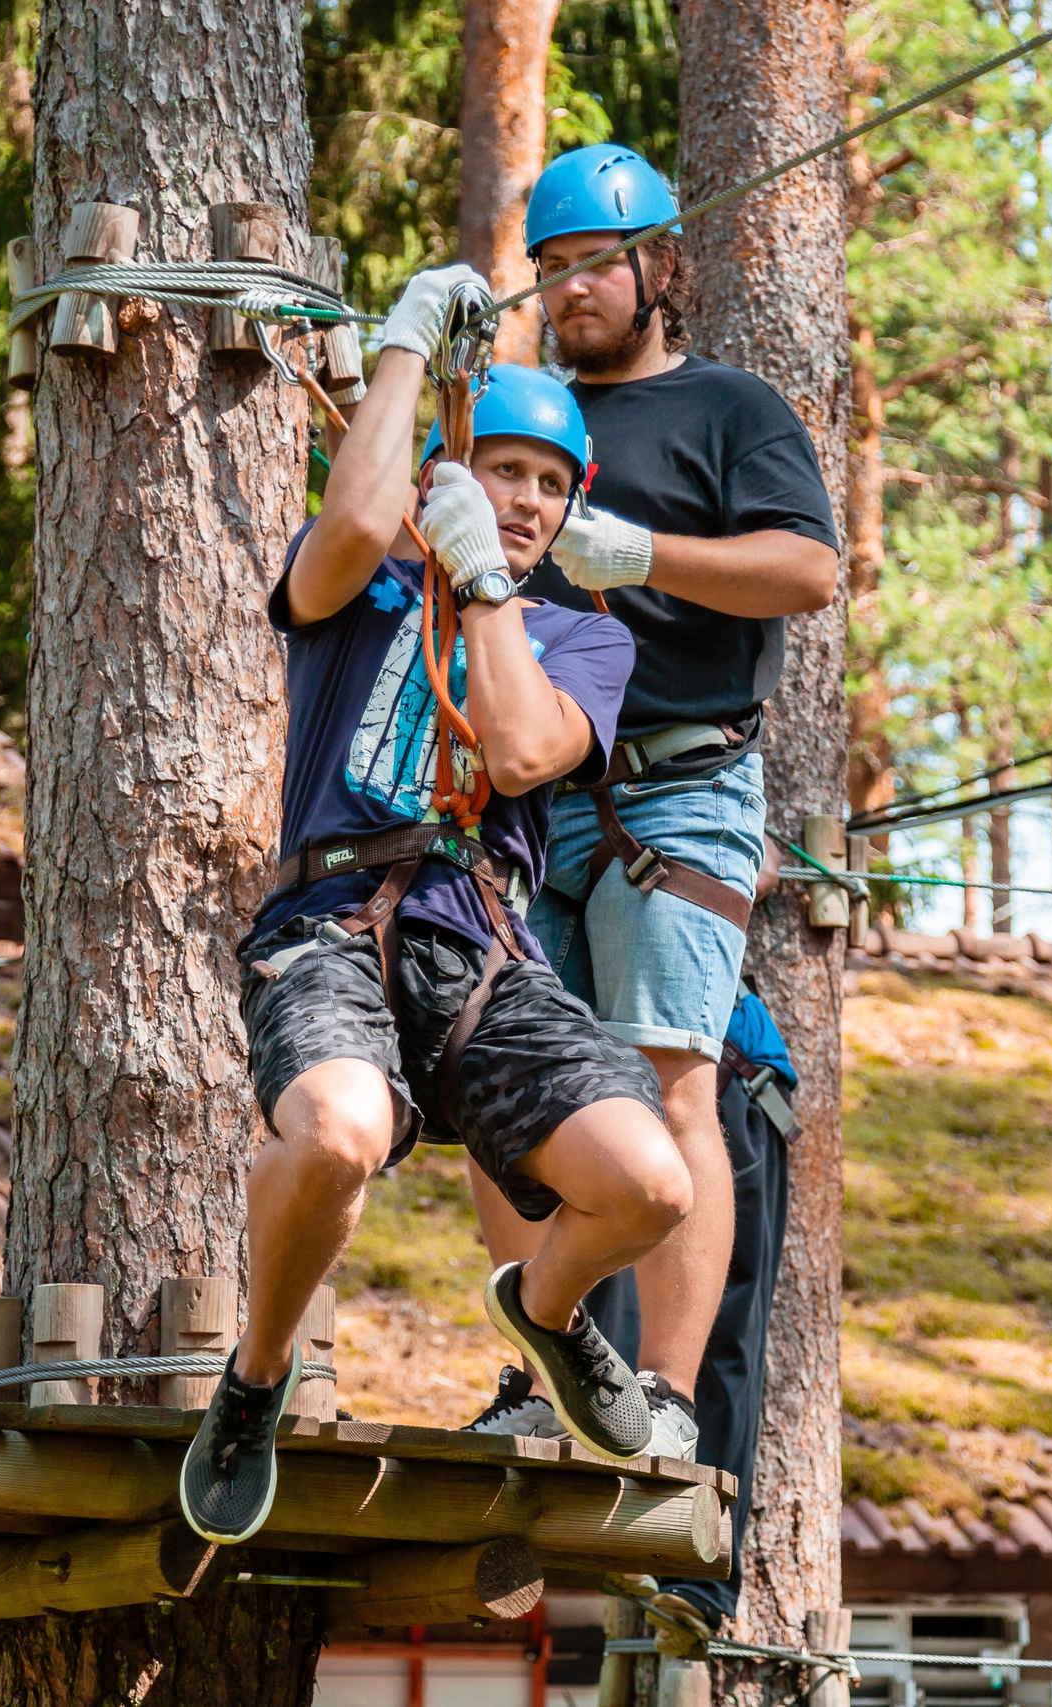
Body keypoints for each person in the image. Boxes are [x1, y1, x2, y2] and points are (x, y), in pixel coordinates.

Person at [179, 264, 692, 1548]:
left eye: (548, 484)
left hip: (481, 948)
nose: (523, 500)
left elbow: (519, 753)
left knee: (649, 1187)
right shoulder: (363, 595)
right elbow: (355, 520)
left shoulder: (585, 640)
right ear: (444, 479)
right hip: (334, 925)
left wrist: (492, 591)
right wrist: (406, 340)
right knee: (336, 1136)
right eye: (501, 472)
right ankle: (254, 1382)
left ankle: (547, 1309)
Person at [462, 144, 839, 1466]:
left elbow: (806, 570)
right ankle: (544, 1372)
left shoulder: (728, 409)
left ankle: (669, 1393)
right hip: (536, 793)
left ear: (660, 267)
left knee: (675, 1069)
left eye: (597, 265)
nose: (572, 289)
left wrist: (645, 554)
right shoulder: (526, 425)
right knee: (506, 1095)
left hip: (679, 789)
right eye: (552, 269)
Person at [470, 856, 796, 1629]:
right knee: (587, 1309)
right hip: (596, 1097)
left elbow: (756, 858)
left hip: (721, 1080)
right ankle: (585, 1474)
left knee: (712, 1338)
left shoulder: (695, 812)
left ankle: (698, 1571)